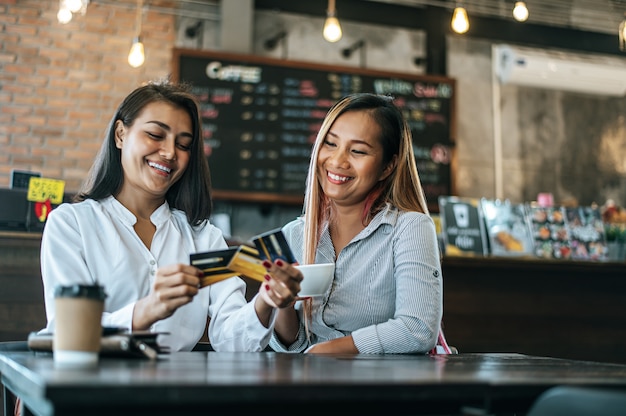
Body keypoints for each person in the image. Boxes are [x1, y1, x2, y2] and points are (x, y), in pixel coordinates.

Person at [39, 79, 302, 352]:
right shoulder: (72, 225)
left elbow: (232, 341)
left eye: (184, 144)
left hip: (179, 392)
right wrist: (147, 310)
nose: (169, 153)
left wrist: (267, 300)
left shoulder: (203, 238)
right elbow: (67, 331)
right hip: (95, 389)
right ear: (120, 134)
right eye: (155, 135)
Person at [266, 93, 448, 354]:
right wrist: (281, 303)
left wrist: (325, 351)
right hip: (309, 387)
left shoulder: (410, 228)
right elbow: (295, 345)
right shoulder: (294, 234)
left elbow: (418, 330)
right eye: (330, 144)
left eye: (358, 151)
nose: (338, 161)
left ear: (388, 166)